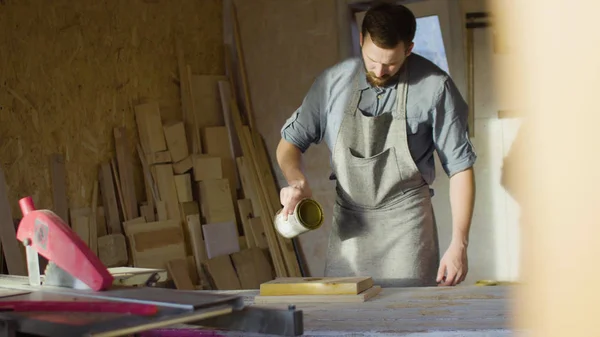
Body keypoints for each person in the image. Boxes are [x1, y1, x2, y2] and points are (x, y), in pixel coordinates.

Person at [275, 2, 476, 287]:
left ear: (409, 48)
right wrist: (296, 181)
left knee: (405, 320)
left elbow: (460, 169)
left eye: (391, 63)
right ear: (361, 40)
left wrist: (460, 245)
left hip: (407, 229)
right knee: (346, 320)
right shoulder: (333, 82)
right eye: (371, 59)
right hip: (350, 227)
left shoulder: (435, 87)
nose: (380, 70)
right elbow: (288, 144)